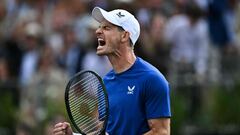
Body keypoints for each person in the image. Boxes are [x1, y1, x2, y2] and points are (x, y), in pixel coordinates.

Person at [53, 7, 171, 135]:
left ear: (124, 36)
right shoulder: (105, 83)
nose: (98, 31)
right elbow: (107, 133)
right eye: (99, 27)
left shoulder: (152, 79)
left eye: (106, 28)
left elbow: (161, 132)